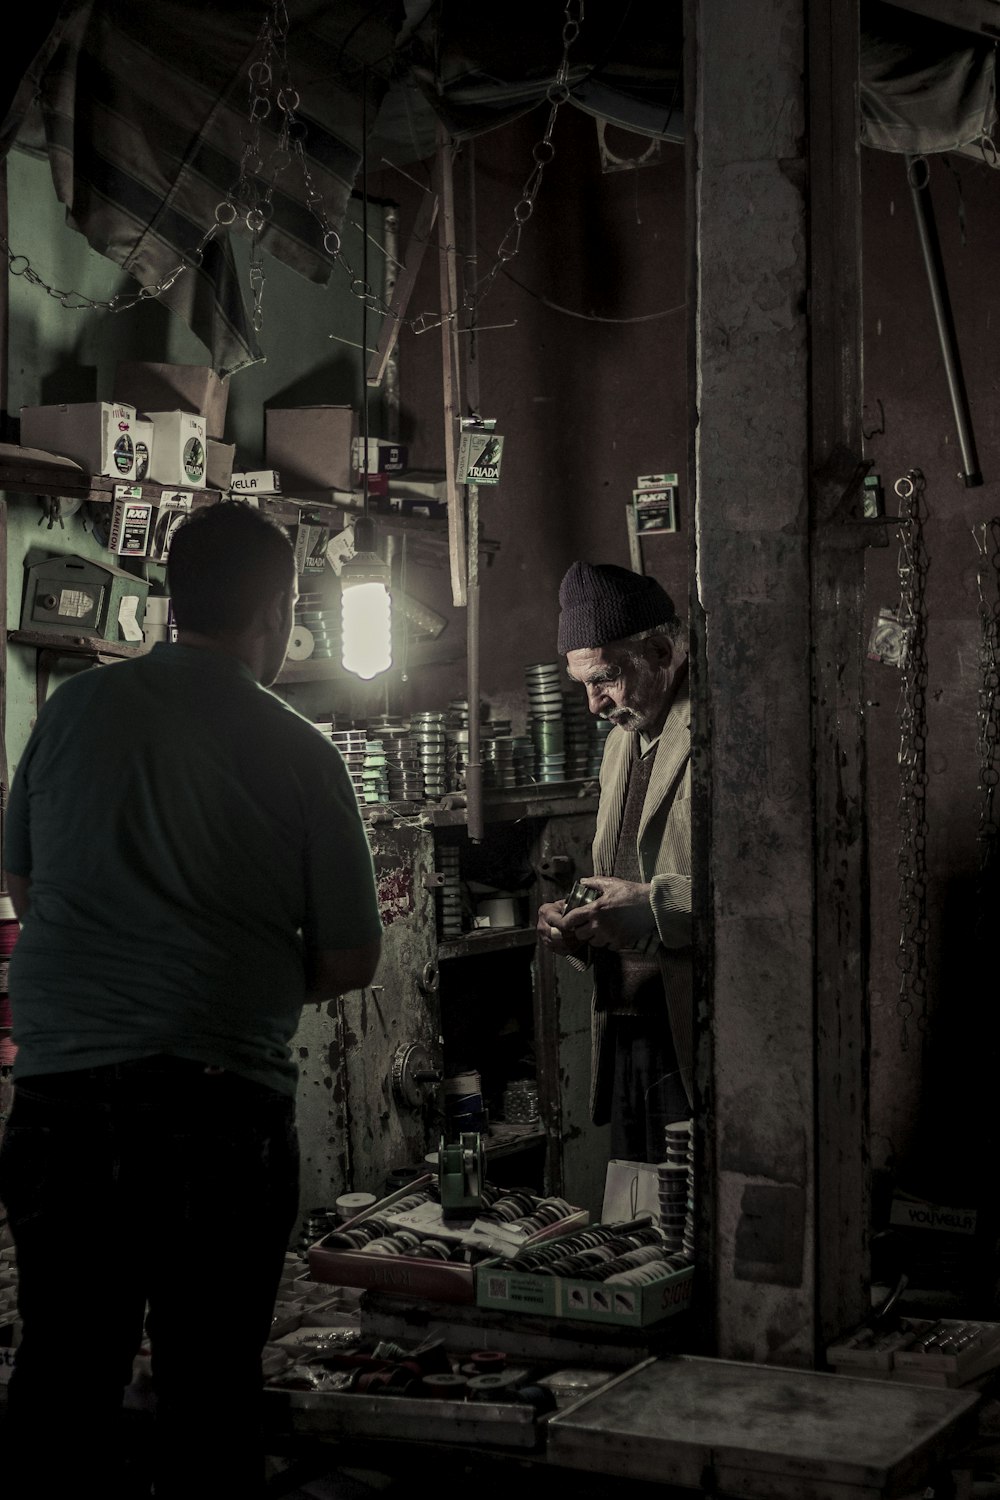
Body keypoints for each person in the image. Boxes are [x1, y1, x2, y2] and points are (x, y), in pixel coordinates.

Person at [0, 500, 383, 1499]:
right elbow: (348, 957)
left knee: (60, 1380)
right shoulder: (301, 750)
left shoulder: (75, 710)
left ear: (171, 599)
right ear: (280, 607)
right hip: (215, 1115)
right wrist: (228, 978)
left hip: (61, 1105)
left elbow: (28, 888)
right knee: (207, 1394)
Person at [536, 561, 692, 1164]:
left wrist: (651, 908)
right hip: (629, 1028)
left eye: (604, 679)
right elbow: (618, 874)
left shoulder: (725, 732)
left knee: (689, 1230)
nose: (594, 704)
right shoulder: (620, 743)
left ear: (658, 650)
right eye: (581, 683)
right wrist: (577, 923)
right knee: (638, 1224)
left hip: (695, 1030)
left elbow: (768, 895)